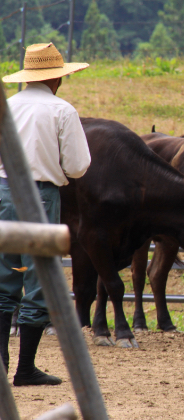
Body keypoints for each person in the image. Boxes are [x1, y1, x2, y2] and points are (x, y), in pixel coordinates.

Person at [0, 43, 90, 386]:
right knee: (37, 279)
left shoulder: (7, 106)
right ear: (58, 79)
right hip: (40, 196)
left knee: (4, 278)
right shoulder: (62, 110)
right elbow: (78, 167)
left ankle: (2, 365)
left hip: (4, 191)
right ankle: (25, 368)